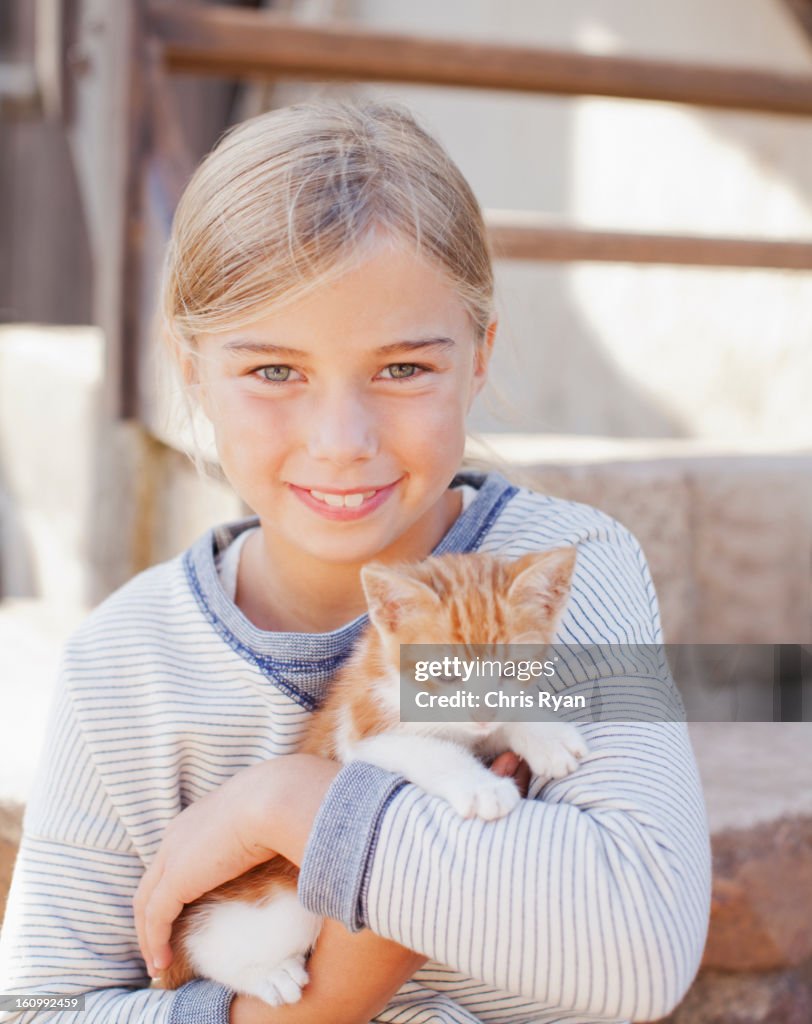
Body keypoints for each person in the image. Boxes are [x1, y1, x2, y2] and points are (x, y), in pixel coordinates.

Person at [0, 99, 711, 1024]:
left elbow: (642, 949)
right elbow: (40, 1008)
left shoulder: (566, 580)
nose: (342, 442)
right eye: (274, 371)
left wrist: (296, 802)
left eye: (404, 369)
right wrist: (307, 1003)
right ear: (190, 368)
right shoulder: (124, 665)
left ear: (480, 355)